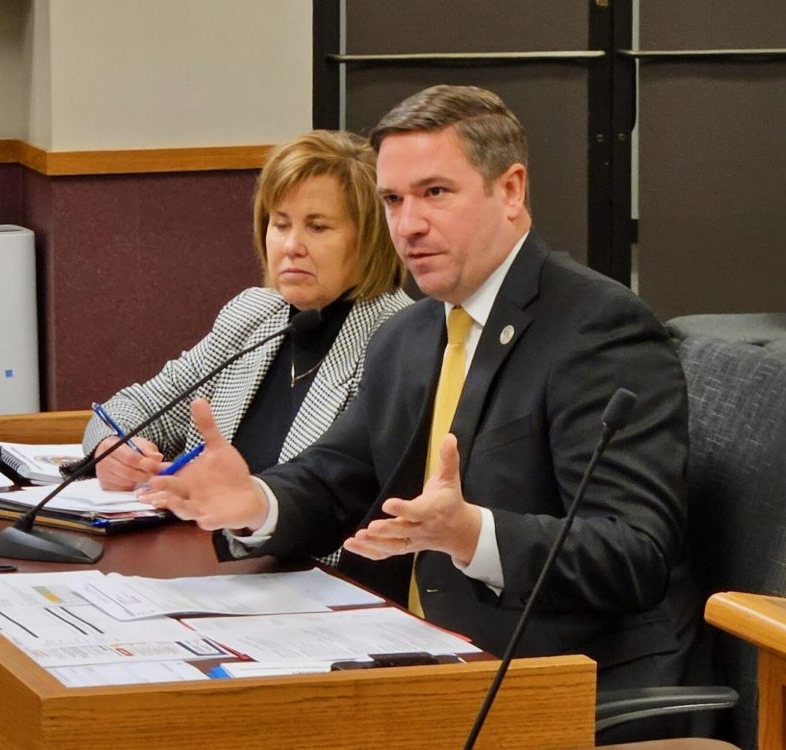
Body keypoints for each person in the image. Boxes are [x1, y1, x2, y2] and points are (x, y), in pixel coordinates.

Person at [145, 86, 700, 696]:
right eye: (392, 200)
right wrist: (253, 502)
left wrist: (470, 534)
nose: (408, 225)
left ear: (510, 190)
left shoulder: (597, 328)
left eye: (435, 193)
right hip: (399, 648)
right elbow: (338, 477)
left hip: (545, 679)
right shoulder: (409, 332)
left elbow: (632, 554)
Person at [83, 130, 411, 501]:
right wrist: (112, 449)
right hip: (201, 545)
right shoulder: (253, 315)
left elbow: (339, 495)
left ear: (372, 238)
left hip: (306, 557)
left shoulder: (398, 339)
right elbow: (132, 409)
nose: (291, 247)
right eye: (281, 224)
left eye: (317, 227)